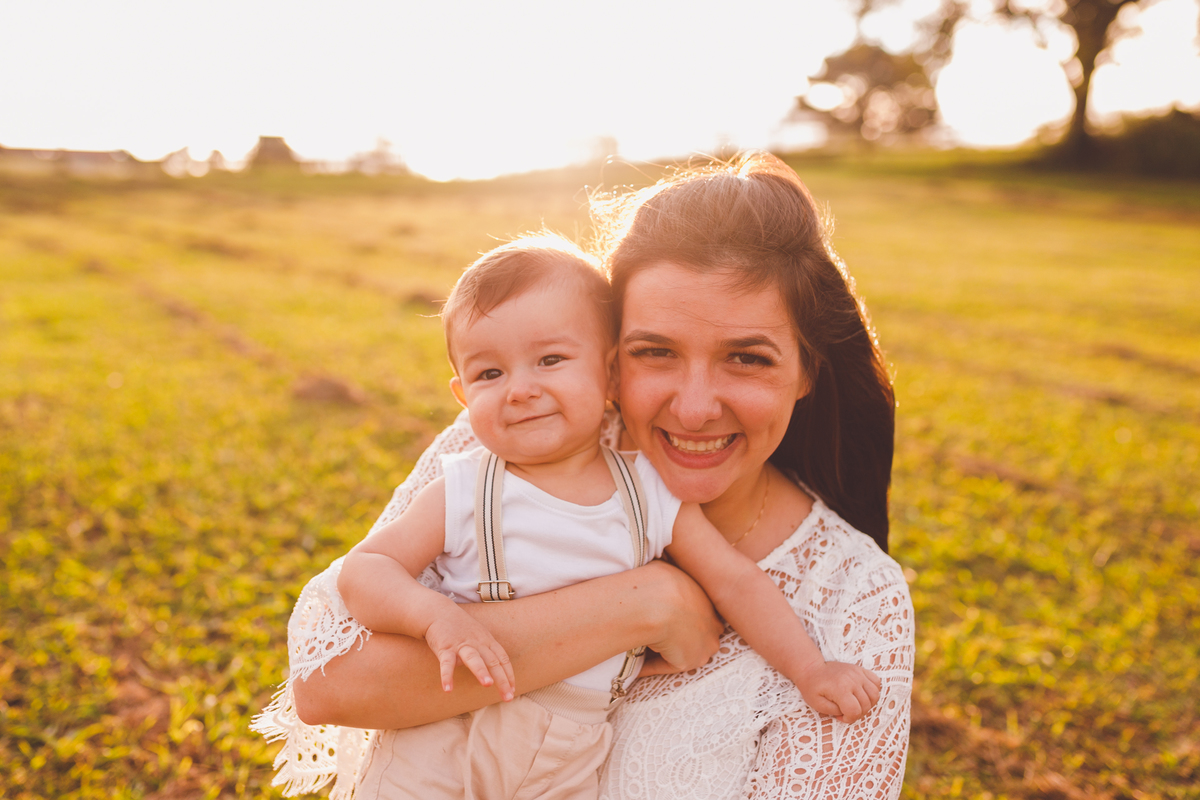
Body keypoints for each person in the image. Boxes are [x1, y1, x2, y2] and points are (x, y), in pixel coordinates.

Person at [252, 151, 915, 800]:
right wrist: (645, 605)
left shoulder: (858, 600)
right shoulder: (524, 437)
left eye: (747, 358)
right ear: (608, 363)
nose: (693, 406)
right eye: (655, 351)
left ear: (807, 369)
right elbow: (328, 683)